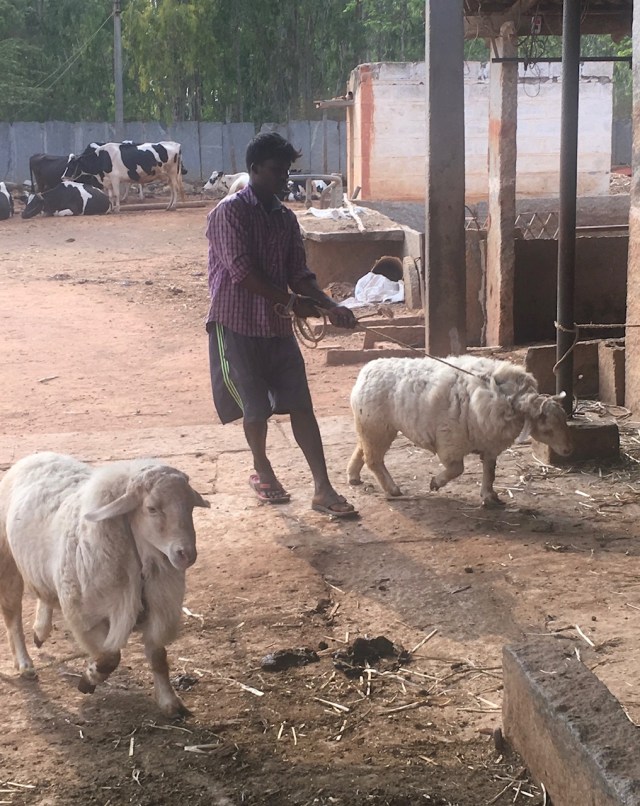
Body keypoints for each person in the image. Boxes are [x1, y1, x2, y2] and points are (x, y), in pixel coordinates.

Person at [205, 131, 359, 518]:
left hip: (275, 327)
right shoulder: (229, 213)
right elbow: (242, 273)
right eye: (277, 170)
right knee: (255, 410)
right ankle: (262, 468)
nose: (284, 179)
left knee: (301, 406)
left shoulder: (286, 219)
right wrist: (294, 302)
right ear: (254, 169)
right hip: (236, 324)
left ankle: (323, 489)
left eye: (287, 171)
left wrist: (328, 305)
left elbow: (299, 273)